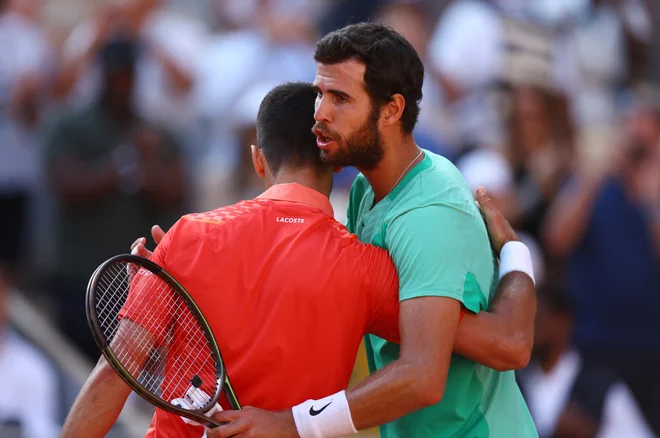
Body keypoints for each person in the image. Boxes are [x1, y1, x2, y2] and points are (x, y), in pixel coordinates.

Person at [62, 82, 534, 438]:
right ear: (334, 160)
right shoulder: (364, 268)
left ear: (257, 159)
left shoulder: (185, 239)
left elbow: (111, 379)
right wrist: (514, 252)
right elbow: (508, 343)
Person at [210, 23, 536, 438]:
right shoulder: (366, 187)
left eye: (340, 99)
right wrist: (205, 267)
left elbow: (422, 375)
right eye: (320, 95)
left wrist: (290, 425)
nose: (319, 114)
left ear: (392, 110)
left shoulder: (430, 211)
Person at [43, 36, 186, 360]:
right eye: (114, 75)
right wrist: (124, 164)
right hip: (80, 278)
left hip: (137, 285)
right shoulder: (72, 125)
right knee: (77, 370)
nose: (121, 84)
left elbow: (175, 193)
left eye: (127, 75)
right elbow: (66, 186)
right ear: (101, 74)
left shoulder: (156, 132)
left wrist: (145, 164)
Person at [517, 281, 654, 438]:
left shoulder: (602, 386)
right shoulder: (516, 382)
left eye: (538, 320)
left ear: (564, 321)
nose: (531, 331)